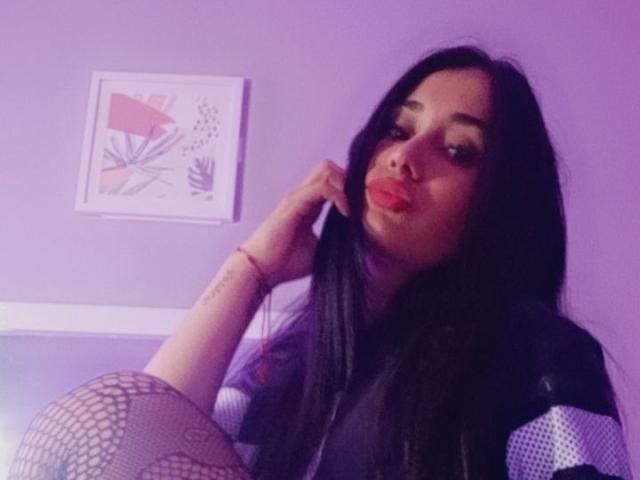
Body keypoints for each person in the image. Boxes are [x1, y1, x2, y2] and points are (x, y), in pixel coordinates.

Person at [8, 45, 632, 480]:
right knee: (90, 425)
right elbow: (133, 436)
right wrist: (254, 271)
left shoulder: (535, 354)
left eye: (458, 151)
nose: (404, 156)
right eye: (397, 129)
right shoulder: (288, 365)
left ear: (500, 205)